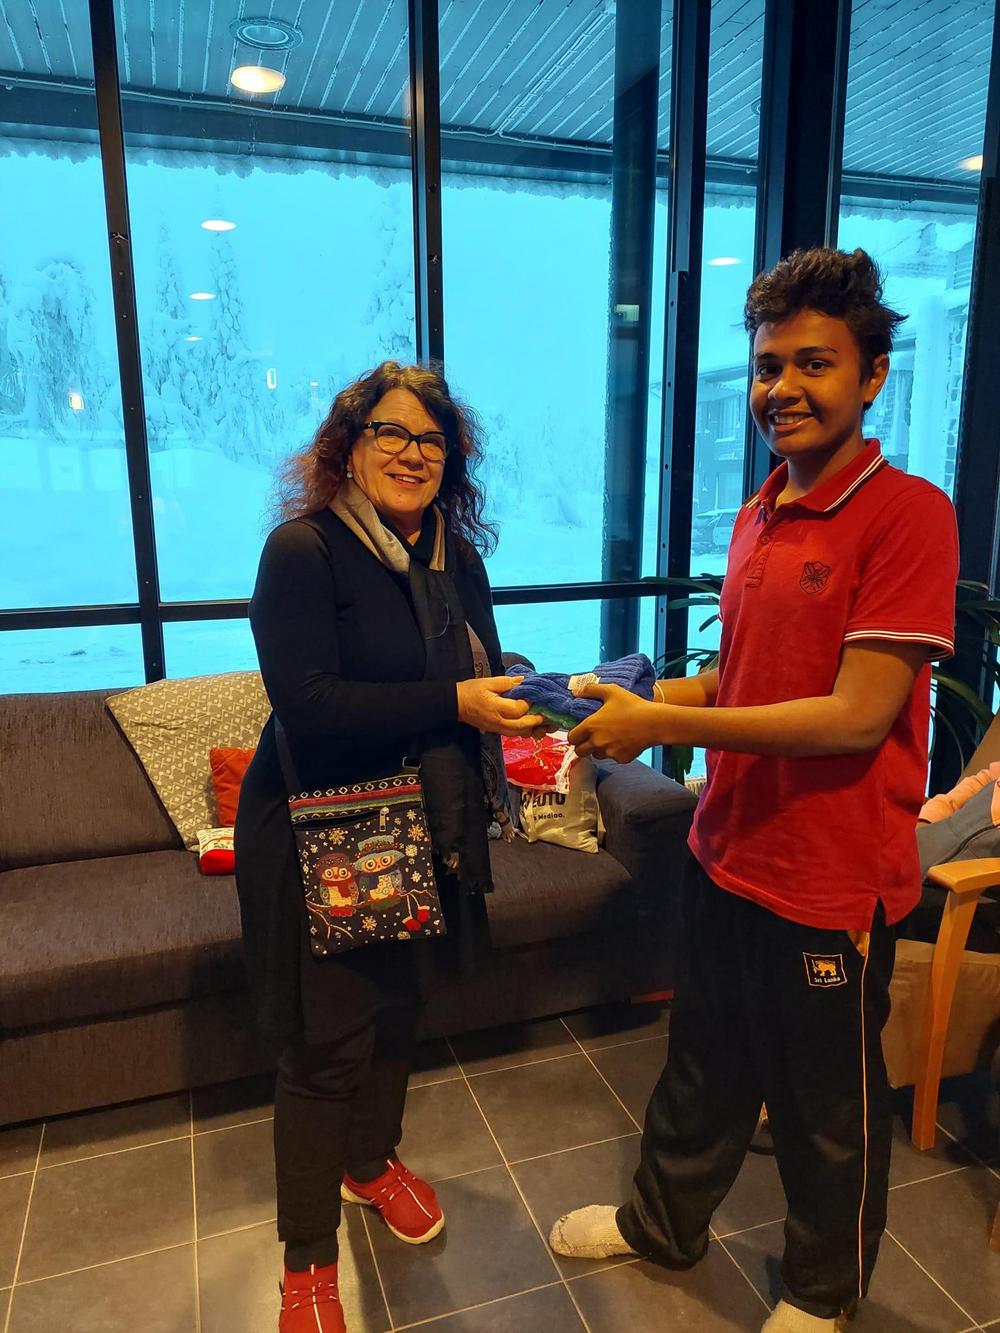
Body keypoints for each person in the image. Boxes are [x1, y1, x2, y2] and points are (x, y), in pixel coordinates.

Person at [549, 248, 959, 1331]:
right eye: (770, 365)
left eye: (813, 363)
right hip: (726, 851)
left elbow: (855, 715)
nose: (783, 387)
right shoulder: (760, 512)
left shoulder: (909, 515)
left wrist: (661, 726)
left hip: (830, 878)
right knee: (703, 1064)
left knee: (827, 1107)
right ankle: (661, 1225)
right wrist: (636, 693)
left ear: (872, 374)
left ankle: (821, 1293)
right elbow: (748, 680)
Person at [234, 361, 542, 1333]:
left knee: (401, 1008)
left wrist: (537, 698)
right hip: (322, 827)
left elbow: (480, 669)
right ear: (349, 447)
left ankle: (369, 1162)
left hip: (430, 820)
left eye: (431, 439)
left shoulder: (457, 557)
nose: (413, 453)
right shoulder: (304, 550)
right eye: (391, 433)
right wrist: (455, 700)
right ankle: (306, 1263)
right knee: (325, 1046)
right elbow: (309, 706)